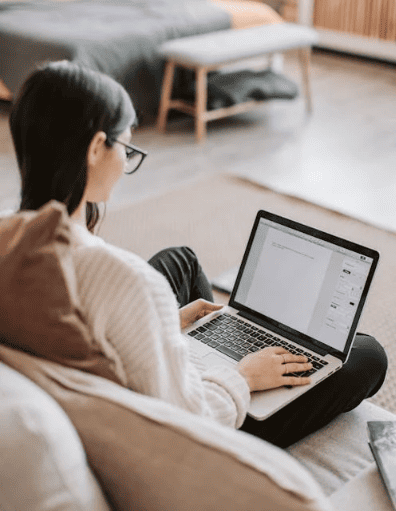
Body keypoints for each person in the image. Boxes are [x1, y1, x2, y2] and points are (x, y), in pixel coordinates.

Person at [9, 60, 388, 448]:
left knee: (181, 260)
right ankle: (231, 358)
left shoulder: (12, 238)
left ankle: (215, 340)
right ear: (94, 149)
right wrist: (244, 375)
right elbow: (189, 420)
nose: (126, 161)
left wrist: (165, 325)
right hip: (210, 424)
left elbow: (99, 330)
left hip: (121, 364)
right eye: (126, 146)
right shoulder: (126, 282)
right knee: (368, 355)